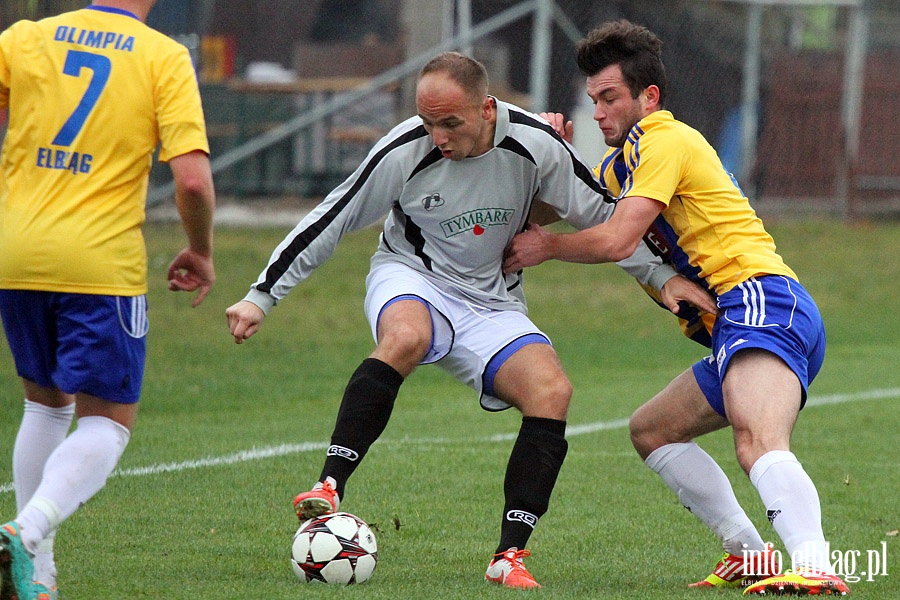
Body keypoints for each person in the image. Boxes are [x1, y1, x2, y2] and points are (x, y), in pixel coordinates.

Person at [226, 51, 712, 589]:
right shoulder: (404, 149)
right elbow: (332, 220)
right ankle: (329, 486)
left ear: (486, 108)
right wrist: (262, 295)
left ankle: (509, 556)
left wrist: (663, 279)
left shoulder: (535, 144)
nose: (437, 136)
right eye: (428, 121)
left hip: (492, 300)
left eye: (450, 122)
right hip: (413, 276)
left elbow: (605, 218)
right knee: (407, 335)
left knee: (552, 392)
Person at [503, 20, 851, 597]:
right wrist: (547, 157)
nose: (599, 112)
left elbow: (613, 240)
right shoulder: (621, 166)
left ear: (650, 97)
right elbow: (549, 211)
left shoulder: (664, 140)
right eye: (593, 101)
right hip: (737, 322)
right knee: (653, 431)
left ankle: (815, 566)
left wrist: (548, 249)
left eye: (611, 97)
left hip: (761, 298)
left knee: (757, 440)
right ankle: (751, 554)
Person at [0, 2, 216, 599]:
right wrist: (201, 249)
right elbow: (193, 179)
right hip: (98, 264)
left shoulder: (25, 37)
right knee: (109, 423)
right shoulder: (161, 57)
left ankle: (36, 580)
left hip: (15, 254)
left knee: (45, 406)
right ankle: (27, 530)